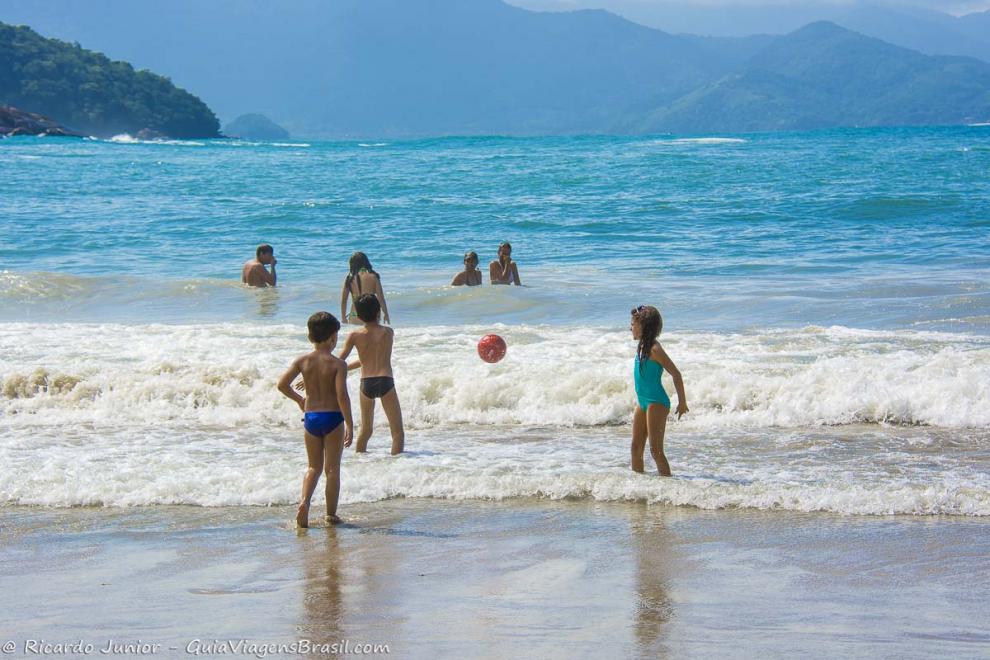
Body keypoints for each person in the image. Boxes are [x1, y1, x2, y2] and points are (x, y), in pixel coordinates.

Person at [277, 311, 354, 528]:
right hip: (333, 418)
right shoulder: (338, 364)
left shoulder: (303, 361)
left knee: (313, 467)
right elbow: (342, 395)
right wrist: (349, 422)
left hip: (311, 418)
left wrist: (300, 401)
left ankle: (304, 502)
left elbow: (282, 385)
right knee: (332, 469)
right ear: (332, 338)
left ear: (310, 337)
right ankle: (330, 514)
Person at [338, 294, 405, 455]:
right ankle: (396, 464)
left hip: (366, 383)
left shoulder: (354, 335)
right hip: (386, 381)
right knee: (397, 433)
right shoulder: (388, 332)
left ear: (359, 316)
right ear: (379, 311)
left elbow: (339, 361)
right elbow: (373, 357)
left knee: (366, 430)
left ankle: (360, 461)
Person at [629, 305, 688, 476]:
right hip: (643, 401)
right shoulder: (641, 346)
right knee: (635, 448)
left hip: (657, 402)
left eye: (633, 323)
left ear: (643, 325)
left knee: (656, 451)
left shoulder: (655, 349)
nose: (630, 327)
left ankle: (668, 487)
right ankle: (638, 486)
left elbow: (676, 374)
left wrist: (682, 402)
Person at [341, 252, 391, 324]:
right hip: (373, 312)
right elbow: (381, 298)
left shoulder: (350, 278)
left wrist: (343, 317)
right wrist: (386, 314)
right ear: (366, 262)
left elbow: (344, 300)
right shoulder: (374, 277)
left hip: (355, 313)